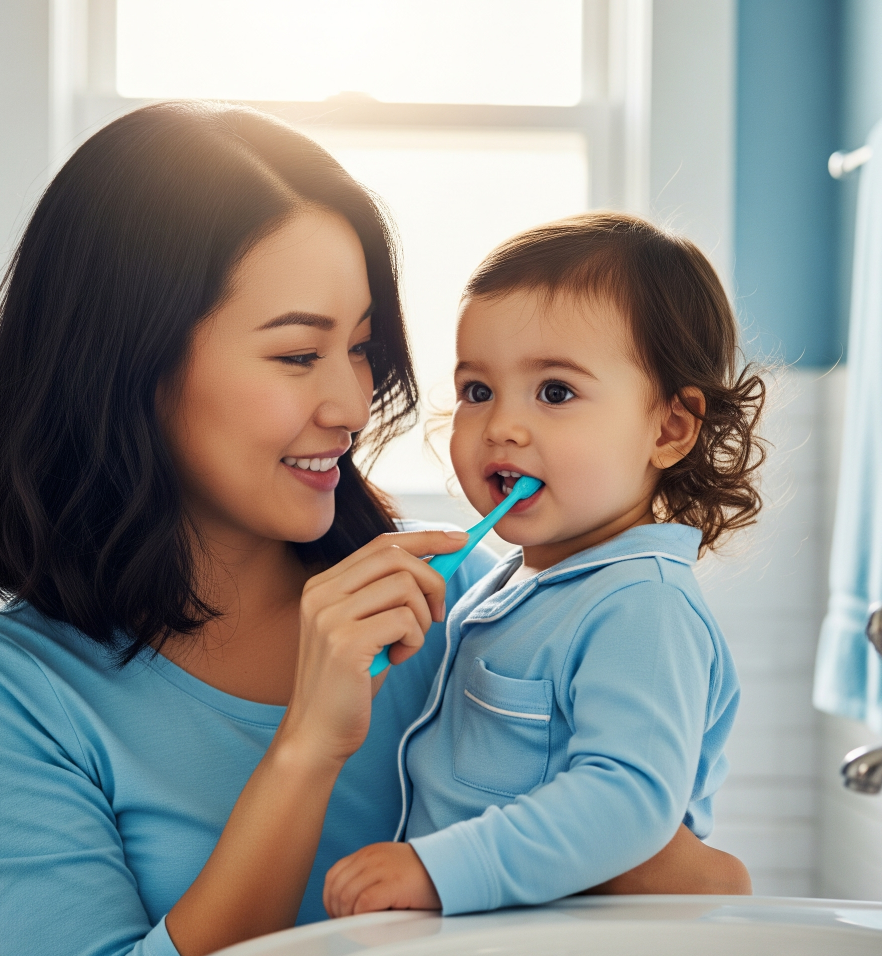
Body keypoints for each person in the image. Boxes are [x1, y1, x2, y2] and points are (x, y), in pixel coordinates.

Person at [0, 106, 749, 956]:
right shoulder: (2, 691)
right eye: (299, 353)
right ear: (126, 365)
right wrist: (307, 747)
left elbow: (697, 881)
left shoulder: (462, 599)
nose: (354, 405)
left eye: (358, 349)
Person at [324, 213, 764, 918]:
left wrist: (439, 871)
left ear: (669, 428)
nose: (502, 426)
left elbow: (627, 801)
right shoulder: (517, 583)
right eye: (477, 391)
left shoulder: (642, 605)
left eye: (555, 392)